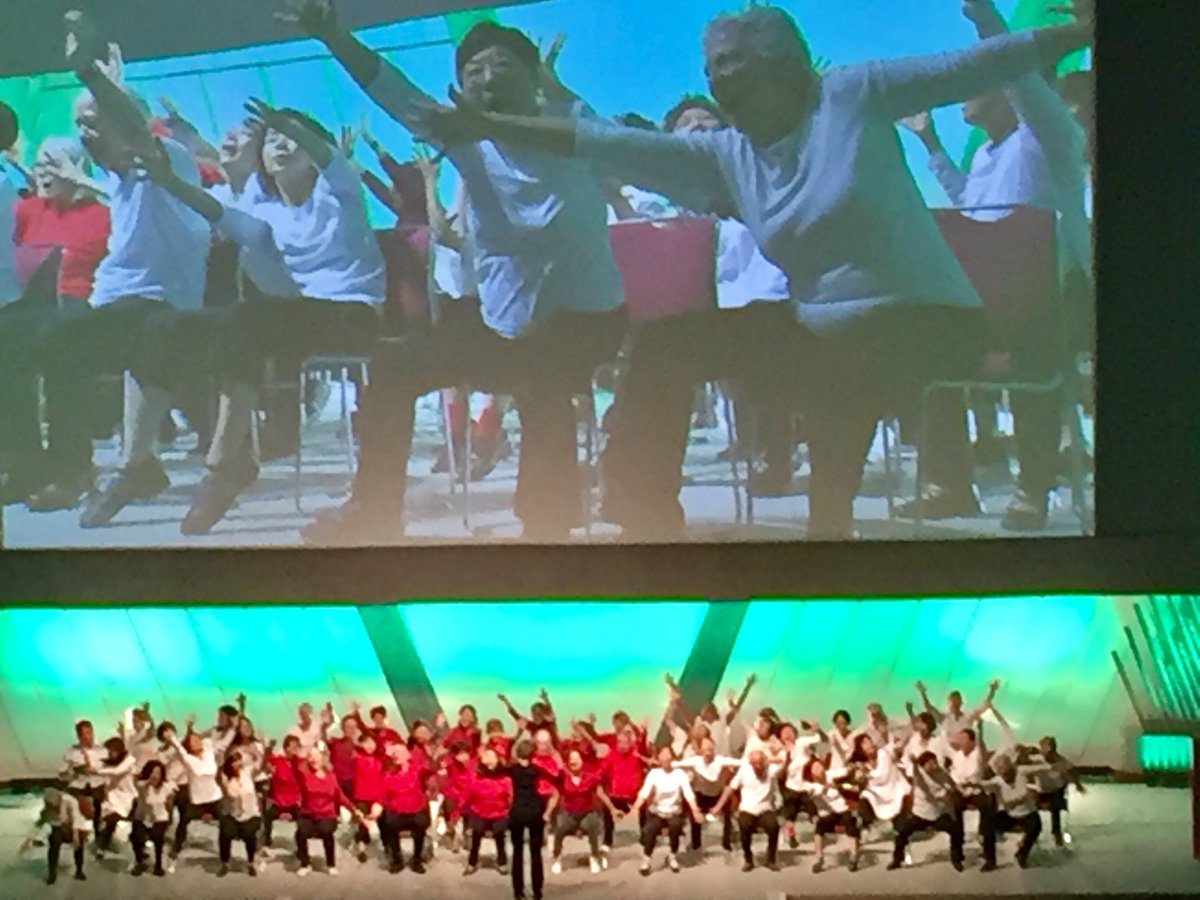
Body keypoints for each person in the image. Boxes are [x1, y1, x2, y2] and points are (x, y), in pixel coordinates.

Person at [418, 4, 1093, 542]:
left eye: (729, 61)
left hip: (930, 320)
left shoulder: (850, 97)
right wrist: (490, 125)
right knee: (667, 343)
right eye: (709, 66)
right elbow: (601, 143)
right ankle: (645, 515)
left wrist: (1085, 30)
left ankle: (827, 532)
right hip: (821, 327)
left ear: (780, 61)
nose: (715, 77)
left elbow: (972, 65)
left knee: (841, 371)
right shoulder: (726, 155)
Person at [279, 1, 628, 546]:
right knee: (394, 368)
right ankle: (373, 515)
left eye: (502, 66)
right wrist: (332, 35)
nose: (487, 79)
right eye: (473, 72)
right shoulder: (466, 141)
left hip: (587, 317)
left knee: (545, 377)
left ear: (533, 77)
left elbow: (625, 151)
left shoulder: (573, 130)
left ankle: (546, 529)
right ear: (461, 91)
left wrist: (560, 91)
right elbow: (392, 92)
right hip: (504, 321)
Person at [898, 0, 1092, 530]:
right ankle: (951, 486)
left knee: (1034, 349)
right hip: (988, 300)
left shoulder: (1045, 138)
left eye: (979, 80)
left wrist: (984, 17)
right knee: (928, 350)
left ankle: (1032, 489)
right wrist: (931, 143)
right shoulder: (986, 155)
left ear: (1009, 92)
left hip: (1053, 299)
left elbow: (1024, 80)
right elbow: (970, 209)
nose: (965, 89)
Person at [27, 16, 213, 519]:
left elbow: (132, 126)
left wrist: (92, 77)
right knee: (50, 336)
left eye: (95, 121)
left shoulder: (168, 158)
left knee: (63, 339)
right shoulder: (120, 181)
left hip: (159, 305)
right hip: (119, 303)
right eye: (80, 125)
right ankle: (85, 467)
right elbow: (105, 180)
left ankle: (126, 464)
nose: (86, 133)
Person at [630, 745, 704, 876]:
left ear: (672, 758)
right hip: (656, 812)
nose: (666, 758)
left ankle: (672, 856)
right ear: (658, 759)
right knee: (650, 829)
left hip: (674, 811)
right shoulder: (654, 774)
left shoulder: (679, 774)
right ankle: (646, 859)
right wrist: (636, 807)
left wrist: (695, 810)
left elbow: (688, 793)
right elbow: (644, 792)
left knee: (676, 826)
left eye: (668, 754)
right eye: (663, 755)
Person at [294, 744, 367, 876]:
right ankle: (305, 863)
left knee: (327, 831)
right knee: (301, 833)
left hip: (326, 815)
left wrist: (354, 810)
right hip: (308, 814)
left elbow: (340, 797)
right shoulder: (304, 774)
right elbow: (298, 766)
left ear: (323, 758)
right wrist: (303, 754)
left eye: (317, 756)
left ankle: (330, 864)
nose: (313, 759)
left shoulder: (331, 776)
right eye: (311, 756)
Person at [889, 750, 964, 871]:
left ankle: (957, 858)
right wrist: (913, 760)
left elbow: (953, 784)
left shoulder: (942, 773)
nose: (933, 764)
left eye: (934, 761)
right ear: (923, 765)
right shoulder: (919, 774)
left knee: (955, 830)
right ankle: (897, 859)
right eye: (929, 762)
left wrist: (956, 790)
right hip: (920, 814)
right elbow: (915, 768)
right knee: (901, 832)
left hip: (938, 813)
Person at [712, 749, 783, 872]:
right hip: (747, 809)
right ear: (750, 763)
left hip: (765, 808)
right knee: (744, 825)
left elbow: (783, 763)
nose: (758, 766)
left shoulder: (770, 770)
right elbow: (730, 789)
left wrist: (769, 760)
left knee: (774, 826)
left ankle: (771, 859)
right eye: (755, 763)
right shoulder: (744, 771)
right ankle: (748, 859)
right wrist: (718, 806)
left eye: (760, 763)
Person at [547, 747, 614, 875]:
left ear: (582, 761)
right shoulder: (562, 777)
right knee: (559, 826)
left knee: (592, 824)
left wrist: (612, 809)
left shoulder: (591, 777)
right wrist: (547, 812)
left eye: (577, 758)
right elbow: (555, 796)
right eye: (571, 759)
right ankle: (557, 858)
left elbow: (601, 794)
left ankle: (594, 857)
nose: (574, 761)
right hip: (568, 814)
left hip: (587, 813)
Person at [163, 722, 223, 863]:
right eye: (193, 741)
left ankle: (224, 851)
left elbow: (213, 735)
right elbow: (179, 748)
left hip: (215, 798)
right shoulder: (188, 759)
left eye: (197, 740)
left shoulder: (209, 753)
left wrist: (194, 731)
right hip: (197, 801)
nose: (197, 742)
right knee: (183, 822)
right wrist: (171, 737)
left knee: (226, 824)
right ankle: (176, 848)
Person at [371, 740, 433, 874]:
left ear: (407, 755)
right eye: (394, 753)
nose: (396, 755)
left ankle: (417, 860)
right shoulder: (388, 774)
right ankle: (397, 860)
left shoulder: (417, 770)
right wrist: (377, 807)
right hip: (397, 812)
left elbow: (432, 768)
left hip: (416, 810)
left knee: (421, 823)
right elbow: (382, 795)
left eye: (399, 752)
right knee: (389, 822)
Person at [981, 751, 1045, 869]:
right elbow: (983, 784)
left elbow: (1041, 768)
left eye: (1006, 773)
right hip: (1010, 816)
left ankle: (1022, 854)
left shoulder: (1021, 772)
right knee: (988, 824)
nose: (1004, 777)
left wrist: (1055, 766)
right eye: (1001, 774)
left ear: (1011, 769)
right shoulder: (998, 782)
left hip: (1028, 814)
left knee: (1036, 826)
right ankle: (990, 860)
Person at [676, 736, 739, 854]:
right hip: (702, 796)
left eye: (711, 749)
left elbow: (738, 762)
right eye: (706, 750)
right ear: (700, 750)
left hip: (717, 796)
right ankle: (696, 844)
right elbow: (677, 764)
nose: (709, 752)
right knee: (693, 804)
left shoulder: (719, 760)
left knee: (728, 804)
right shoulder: (695, 761)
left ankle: (727, 842)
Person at [802, 754, 861, 873]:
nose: (821, 770)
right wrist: (827, 787)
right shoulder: (810, 786)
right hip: (826, 814)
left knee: (850, 823)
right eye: (816, 768)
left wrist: (853, 767)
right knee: (819, 830)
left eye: (821, 766)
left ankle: (853, 856)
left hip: (841, 809)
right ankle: (819, 859)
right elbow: (816, 793)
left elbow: (844, 772)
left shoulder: (830, 775)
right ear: (812, 773)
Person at [463, 745, 513, 876]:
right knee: (476, 832)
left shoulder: (505, 778)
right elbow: (469, 794)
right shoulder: (477, 775)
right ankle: (472, 862)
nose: (486, 757)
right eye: (485, 755)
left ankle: (502, 862)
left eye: (490, 755)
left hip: (499, 814)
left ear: (497, 759)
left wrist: (507, 813)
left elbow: (510, 799)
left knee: (499, 833)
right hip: (479, 812)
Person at [848, 732, 910, 833]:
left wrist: (903, 740)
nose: (870, 744)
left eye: (870, 741)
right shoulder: (863, 765)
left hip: (894, 791)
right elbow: (857, 782)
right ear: (860, 749)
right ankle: (868, 825)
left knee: (901, 828)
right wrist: (860, 777)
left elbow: (896, 749)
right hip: (878, 795)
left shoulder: (884, 753)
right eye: (865, 743)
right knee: (864, 796)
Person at [598, 726, 647, 854]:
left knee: (645, 805)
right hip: (617, 795)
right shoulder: (612, 754)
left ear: (630, 743)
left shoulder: (636, 754)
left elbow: (644, 749)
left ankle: (645, 837)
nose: (622, 745)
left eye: (625, 742)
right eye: (619, 742)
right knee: (606, 807)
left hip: (633, 796)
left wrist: (644, 731)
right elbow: (601, 771)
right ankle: (607, 841)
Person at [1031, 735, 1085, 845]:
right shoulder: (1036, 760)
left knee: (1055, 812)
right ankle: (1033, 835)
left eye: (1045, 746)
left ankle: (1057, 837)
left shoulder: (1061, 761)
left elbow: (1071, 771)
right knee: (1031, 811)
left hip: (1056, 790)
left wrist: (1078, 785)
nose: (1043, 749)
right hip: (1041, 790)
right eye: (1042, 746)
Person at [31, 788, 91, 884]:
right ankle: (52, 874)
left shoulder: (70, 800)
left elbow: (76, 817)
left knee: (79, 843)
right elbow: (41, 821)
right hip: (59, 828)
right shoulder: (49, 808)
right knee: (54, 843)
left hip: (74, 826)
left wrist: (75, 835)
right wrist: (32, 836)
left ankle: (79, 871)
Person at [217, 749, 262, 876]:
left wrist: (267, 750)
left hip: (251, 814)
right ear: (230, 764)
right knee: (225, 835)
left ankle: (251, 863)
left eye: (239, 760)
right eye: (235, 761)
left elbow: (261, 766)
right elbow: (228, 793)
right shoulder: (225, 779)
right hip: (232, 814)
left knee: (250, 836)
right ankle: (225, 863)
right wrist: (220, 768)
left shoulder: (247, 772)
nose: (238, 763)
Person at [60, 719, 107, 836]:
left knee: (98, 802)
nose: (88, 736)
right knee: (66, 799)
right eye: (85, 733)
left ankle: (99, 834)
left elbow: (108, 769)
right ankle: (68, 830)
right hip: (79, 783)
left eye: (90, 732)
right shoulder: (71, 752)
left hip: (97, 783)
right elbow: (61, 773)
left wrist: (94, 770)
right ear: (79, 736)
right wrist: (75, 770)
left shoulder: (102, 750)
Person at [130, 760, 175, 877]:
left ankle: (158, 865)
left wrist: (170, 818)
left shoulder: (167, 787)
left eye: (158, 773)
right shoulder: (141, 785)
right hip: (141, 817)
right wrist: (149, 782)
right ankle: (140, 862)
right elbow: (141, 787)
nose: (155, 775)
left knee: (158, 841)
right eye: (152, 772)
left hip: (160, 818)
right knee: (136, 839)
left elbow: (169, 804)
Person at [916, 678, 999, 740]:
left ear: (961, 703)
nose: (955, 704)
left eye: (957, 701)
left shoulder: (968, 717)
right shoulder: (944, 717)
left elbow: (984, 706)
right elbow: (929, 707)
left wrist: (992, 691)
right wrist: (923, 693)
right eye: (953, 701)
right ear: (949, 703)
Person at [94, 735, 138, 855]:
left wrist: (97, 771)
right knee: (111, 821)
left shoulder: (130, 760)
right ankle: (101, 846)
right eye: (109, 751)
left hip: (130, 797)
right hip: (114, 798)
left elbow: (118, 771)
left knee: (139, 822)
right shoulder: (106, 764)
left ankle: (139, 847)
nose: (110, 753)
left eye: (112, 750)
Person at [262, 734, 303, 850]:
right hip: (279, 803)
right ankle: (266, 843)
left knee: (303, 819)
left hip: (295, 803)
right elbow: (264, 762)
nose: (295, 750)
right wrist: (269, 748)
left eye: (297, 747)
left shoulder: (301, 763)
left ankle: (300, 846)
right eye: (292, 747)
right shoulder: (278, 761)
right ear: (286, 748)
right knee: (267, 816)